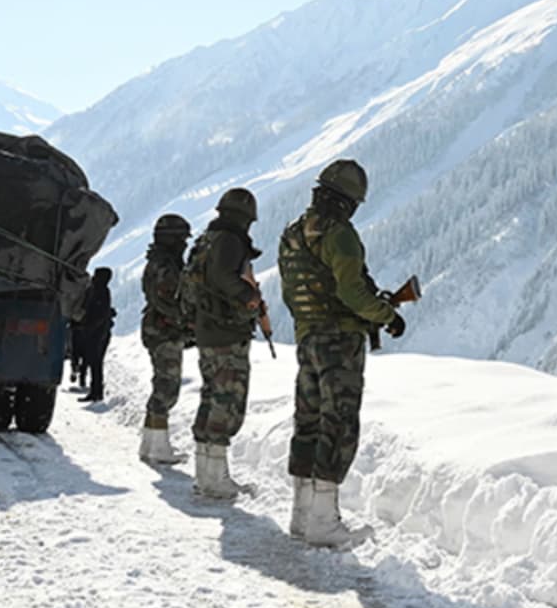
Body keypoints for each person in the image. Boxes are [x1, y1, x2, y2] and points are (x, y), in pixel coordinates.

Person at [277, 160, 403, 548]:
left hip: (307, 337)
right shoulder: (341, 235)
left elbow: (289, 291)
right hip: (340, 343)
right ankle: (324, 522)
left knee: (309, 419)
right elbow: (351, 293)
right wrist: (387, 315)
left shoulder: (293, 232)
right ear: (349, 201)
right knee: (339, 422)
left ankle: (301, 516)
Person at [184, 187, 264, 500]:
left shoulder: (208, 239)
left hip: (207, 329)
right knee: (227, 400)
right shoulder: (230, 240)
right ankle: (215, 479)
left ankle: (207, 475)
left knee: (211, 395)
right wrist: (249, 298)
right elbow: (222, 276)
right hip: (226, 331)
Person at [137, 213, 193, 464]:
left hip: (159, 329)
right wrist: (187, 322)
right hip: (164, 330)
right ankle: (158, 448)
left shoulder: (160, 261)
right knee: (166, 388)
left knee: (162, 384)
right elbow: (168, 301)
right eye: (182, 239)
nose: (184, 244)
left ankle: (150, 444)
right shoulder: (166, 266)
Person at [74, 266, 116, 403]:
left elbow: (100, 315)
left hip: (97, 334)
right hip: (97, 333)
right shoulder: (99, 290)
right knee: (94, 364)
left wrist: (87, 325)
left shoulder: (100, 291)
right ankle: (95, 391)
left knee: (95, 363)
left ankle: (96, 392)